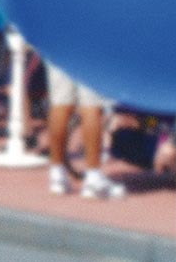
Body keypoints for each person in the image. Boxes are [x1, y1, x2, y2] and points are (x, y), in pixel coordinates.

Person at [45, 62, 126, 199]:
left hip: (60, 44)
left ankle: (57, 175)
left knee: (60, 104)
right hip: (90, 46)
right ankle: (93, 178)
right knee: (91, 105)